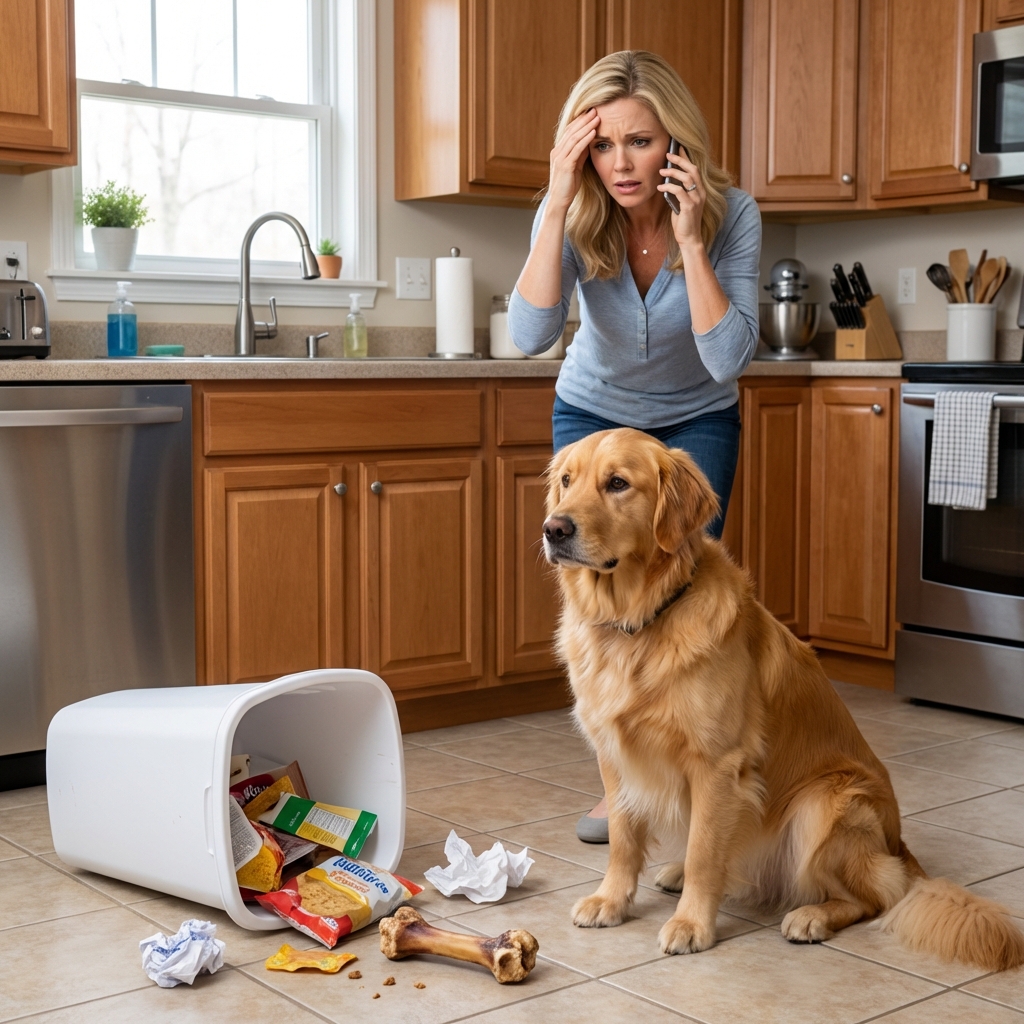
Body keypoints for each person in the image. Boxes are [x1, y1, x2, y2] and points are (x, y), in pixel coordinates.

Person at [508, 50, 762, 844]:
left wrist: (690, 240)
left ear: (676, 145)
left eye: (641, 142)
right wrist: (553, 205)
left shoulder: (732, 215)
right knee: (596, 605)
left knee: (680, 595)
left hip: (695, 421)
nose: (621, 164)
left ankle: (689, 771)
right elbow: (530, 336)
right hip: (592, 416)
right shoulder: (576, 210)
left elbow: (727, 358)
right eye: (604, 144)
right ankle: (620, 787)